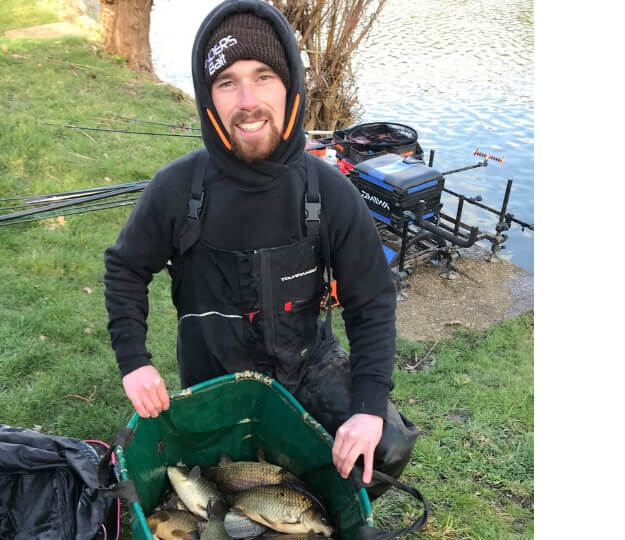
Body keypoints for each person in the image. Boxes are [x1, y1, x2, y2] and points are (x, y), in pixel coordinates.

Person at [104, 0, 417, 499]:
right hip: (215, 378)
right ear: (209, 99)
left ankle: (312, 504)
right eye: (227, 82)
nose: (247, 100)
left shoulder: (329, 191)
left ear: (290, 85)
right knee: (213, 484)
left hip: (305, 363)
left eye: (263, 76)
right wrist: (134, 360)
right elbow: (123, 268)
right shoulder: (177, 189)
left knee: (386, 448)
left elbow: (371, 301)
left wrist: (366, 407)